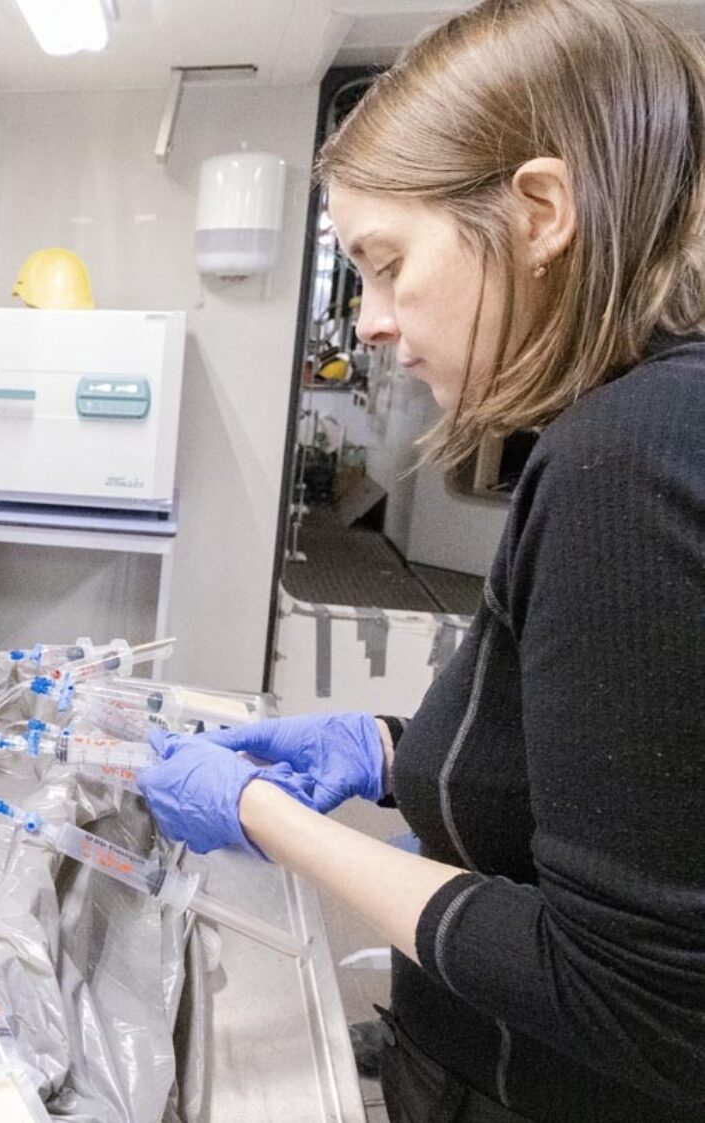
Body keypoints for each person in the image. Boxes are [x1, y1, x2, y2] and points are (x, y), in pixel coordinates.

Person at [138, 2, 705, 1120]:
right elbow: (622, 786)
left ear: (539, 209)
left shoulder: (624, 457)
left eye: (387, 264)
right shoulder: (648, 421)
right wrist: (391, 751)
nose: (375, 324)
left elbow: (635, 998)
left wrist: (265, 817)